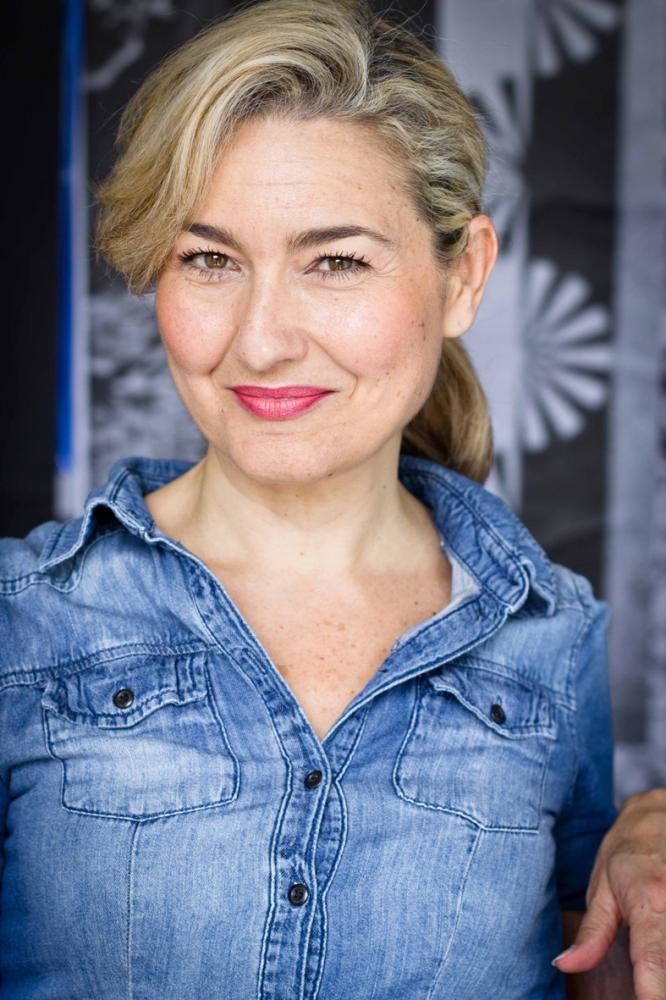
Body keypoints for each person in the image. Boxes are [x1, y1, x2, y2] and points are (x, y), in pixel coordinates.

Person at [0, 1, 663, 996]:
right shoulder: (21, 619)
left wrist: (645, 837)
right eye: (210, 259)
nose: (263, 339)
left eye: (337, 261)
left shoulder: (553, 639)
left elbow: (591, 965)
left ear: (463, 277)